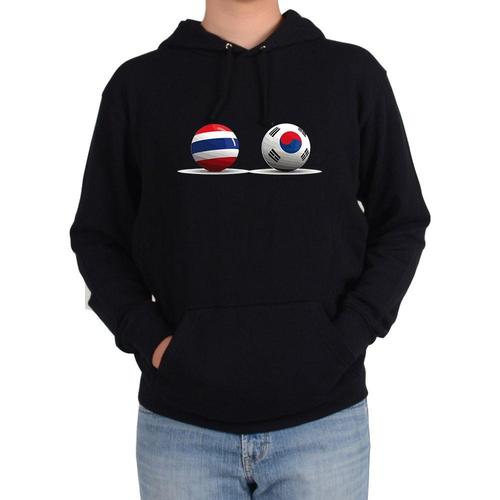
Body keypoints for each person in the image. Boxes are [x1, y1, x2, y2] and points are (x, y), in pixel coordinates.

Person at [69, 1, 430, 498]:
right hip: (181, 430)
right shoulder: (139, 85)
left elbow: (402, 221)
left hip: (324, 424)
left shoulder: (351, 75)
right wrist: (151, 340)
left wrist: (348, 336)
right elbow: (97, 236)